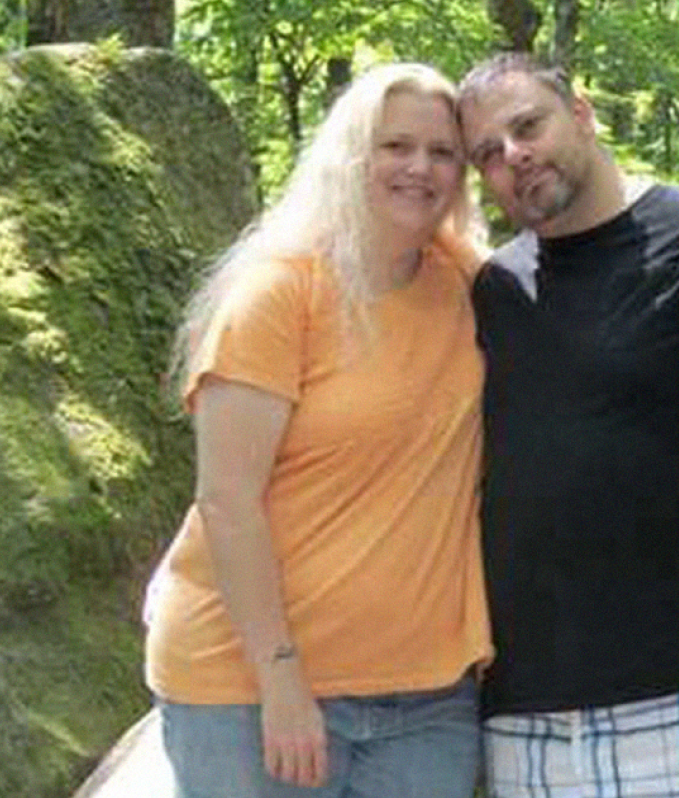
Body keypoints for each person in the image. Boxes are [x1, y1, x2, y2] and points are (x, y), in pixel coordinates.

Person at [457, 53, 679, 798]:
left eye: (528, 126)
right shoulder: (493, 289)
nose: (513, 157)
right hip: (530, 717)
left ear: (582, 113)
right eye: (487, 154)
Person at [142, 62, 492, 798]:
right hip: (247, 686)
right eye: (395, 145)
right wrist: (281, 682)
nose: (419, 167)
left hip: (428, 700)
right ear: (349, 154)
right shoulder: (281, 291)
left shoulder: (466, 284)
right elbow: (226, 501)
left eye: (442, 152)